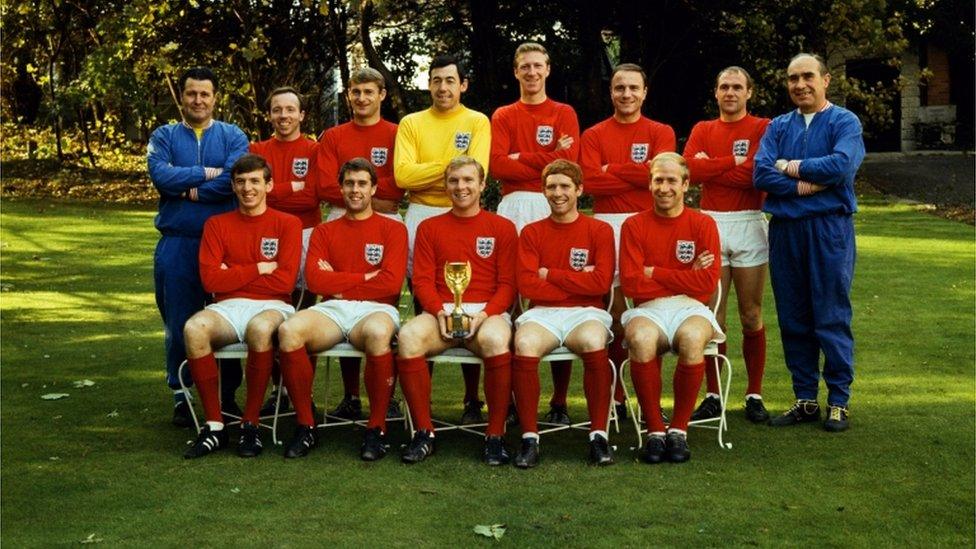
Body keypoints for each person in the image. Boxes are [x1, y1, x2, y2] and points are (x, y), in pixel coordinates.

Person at [754, 53, 864, 432]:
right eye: (792, 78)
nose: (800, 84)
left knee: (830, 314)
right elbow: (762, 174)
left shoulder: (844, 121)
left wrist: (792, 167)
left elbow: (842, 167)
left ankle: (838, 401)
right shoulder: (778, 126)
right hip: (786, 231)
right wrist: (806, 184)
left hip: (828, 230)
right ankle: (804, 399)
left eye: (807, 77)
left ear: (825, 80)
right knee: (794, 316)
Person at [275, 158, 408, 460]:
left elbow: (390, 284)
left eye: (362, 183)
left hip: (377, 309)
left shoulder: (393, 230)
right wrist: (363, 277)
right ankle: (306, 425)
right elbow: (316, 280)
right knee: (289, 330)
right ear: (341, 188)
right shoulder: (324, 230)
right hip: (333, 309)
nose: (355, 190)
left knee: (376, 333)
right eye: (349, 183)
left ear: (374, 188)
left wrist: (338, 279)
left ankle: (376, 428)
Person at [395, 156, 517, 466]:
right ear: (445, 186)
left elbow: (508, 284)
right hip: (441, 311)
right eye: (454, 181)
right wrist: (438, 312)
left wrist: (485, 314)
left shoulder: (502, 227)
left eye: (467, 180)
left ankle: (494, 436)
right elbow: (421, 280)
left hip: (487, 313)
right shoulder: (429, 227)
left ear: (481, 185)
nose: (461, 187)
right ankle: (423, 432)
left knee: (494, 341)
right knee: (409, 337)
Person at [181, 154, 302, 459]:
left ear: (269, 185)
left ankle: (251, 424)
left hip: (274, 306)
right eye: (241, 182)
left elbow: (285, 283)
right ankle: (214, 426)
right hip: (227, 307)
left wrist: (231, 273)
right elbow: (210, 279)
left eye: (255, 181)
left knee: (259, 328)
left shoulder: (288, 224)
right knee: (194, 329)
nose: (248, 188)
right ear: (233, 187)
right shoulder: (216, 224)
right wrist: (259, 268)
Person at [147, 67, 249, 427]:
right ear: (182, 97)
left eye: (205, 94)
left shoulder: (233, 135)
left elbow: (233, 181)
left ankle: (226, 394)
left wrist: (187, 185)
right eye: (191, 94)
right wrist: (207, 172)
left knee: (228, 320)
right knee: (179, 321)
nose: (198, 100)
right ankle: (181, 394)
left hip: (226, 246)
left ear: (215, 97)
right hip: (179, 244)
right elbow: (161, 176)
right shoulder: (164, 135)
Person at [394, 54, 491, 424]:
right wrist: (452, 166)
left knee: (470, 296)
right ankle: (421, 400)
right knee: (426, 302)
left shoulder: (477, 121)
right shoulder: (411, 122)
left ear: (462, 84)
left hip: (467, 218)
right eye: (436, 80)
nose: (443, 87)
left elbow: (478, 171)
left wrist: (439, 172)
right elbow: (403, 176)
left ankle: (472, 398)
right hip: (421, 214)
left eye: (450, 80)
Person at [490, 41, 581, 427]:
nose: (531, 72)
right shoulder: (504, 114)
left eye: (537, 66)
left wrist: (520, 158)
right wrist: (539, 158)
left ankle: (559, 401)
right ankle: (510, 399)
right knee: (510, 297)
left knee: (556, 298)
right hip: (513, 207)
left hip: (551, 204)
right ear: (516, 72)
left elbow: (568, 165)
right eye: (524, 66)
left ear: (548, 69)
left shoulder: (564, 112)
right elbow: (497, 166)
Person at [580, 63, 676, 419]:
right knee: (614, 315)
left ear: (645, 92)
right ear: (611, 92)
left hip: (649, 226)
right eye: (620, 88)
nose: (626, 95)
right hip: (605, 226)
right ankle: (616, 398)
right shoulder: (593, 134)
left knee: (652, 314)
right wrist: (633, 174)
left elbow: (659, 177)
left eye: (633, 88)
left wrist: (612, 169)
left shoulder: (661, 131)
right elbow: (590, 183)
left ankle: (653, 402)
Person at [620, 152, 722, 464]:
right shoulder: (633, 225)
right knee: (640, 339)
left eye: (671, 181)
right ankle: (654, 431)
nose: (665, 187)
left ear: (686, 184)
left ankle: (679, 430)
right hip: (647, 308)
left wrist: (656, 272)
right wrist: (686, 275)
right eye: (658, 180)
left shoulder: (703, 223)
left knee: (692, 338)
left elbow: (705, 286)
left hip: (691, 307)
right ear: (649, 184)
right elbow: (633, 286)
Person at [683, 67, 772, 424]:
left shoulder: (763, 127)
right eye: (724, 87)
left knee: (751, 314)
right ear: (716, 93)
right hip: (711, 223)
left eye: (737, 87)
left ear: (749, 92)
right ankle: (714, 394)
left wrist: (714, 167)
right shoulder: (703, 130)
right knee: (712, 316)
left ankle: (754, 393)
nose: (730, 92)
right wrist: (733, 163)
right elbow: (690, 170)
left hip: (750, 221)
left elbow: (757, 174)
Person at [512, 160, 615, 468]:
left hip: (587, 312)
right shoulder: (531, 232)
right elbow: (528, 285)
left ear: (579, 190)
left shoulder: (599, 229)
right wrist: (577, 280)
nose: (558, 193)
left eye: (565, 186)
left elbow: (601, 282)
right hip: (542, 313)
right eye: (552, 187)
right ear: (543, 191)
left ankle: (598, 435)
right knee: (525, 344)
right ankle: (530, 437)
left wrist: (551, 274)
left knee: (593, 340)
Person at [315, 68, 403, 421]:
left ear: (381, 94)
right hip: (340, 220)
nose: (362, 98)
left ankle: (386, 397)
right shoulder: (334, 136)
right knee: (338, 303)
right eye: (355, 92)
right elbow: (323, 185)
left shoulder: (396, 133)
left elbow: (399, 184)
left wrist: (370, 201)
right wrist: (365, 198)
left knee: (383, 306)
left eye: (369, 91)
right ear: (348, 95)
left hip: (385, 224)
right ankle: (351, 395)